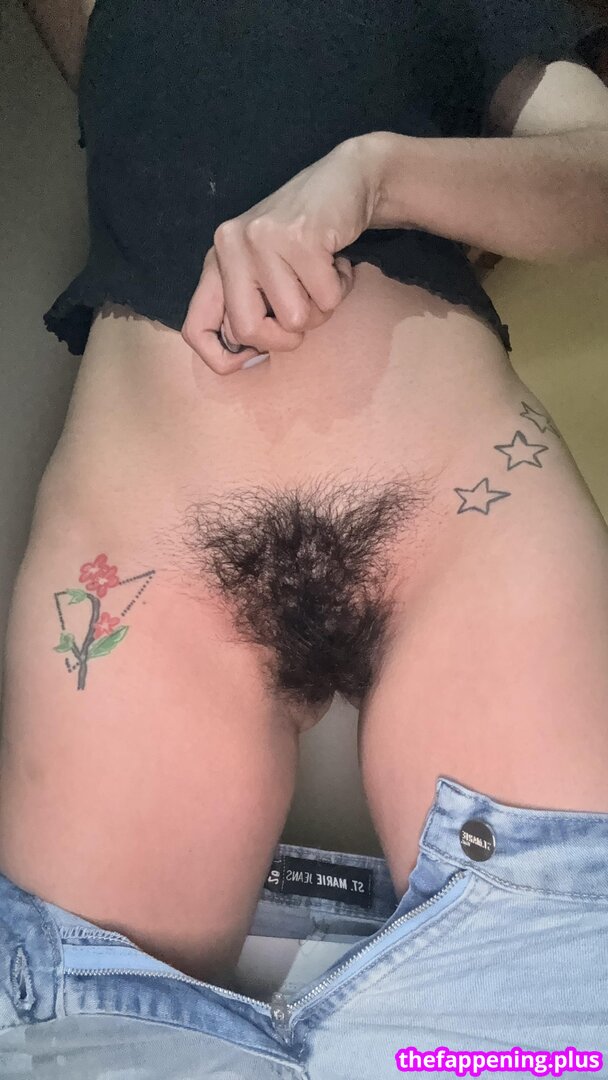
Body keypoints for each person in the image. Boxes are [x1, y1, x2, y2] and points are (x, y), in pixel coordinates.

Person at [1, 0, 608, 1075]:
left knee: (560, 991)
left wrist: (377, 174)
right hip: (151, 573)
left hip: (460, 530)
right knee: (86, 1042)